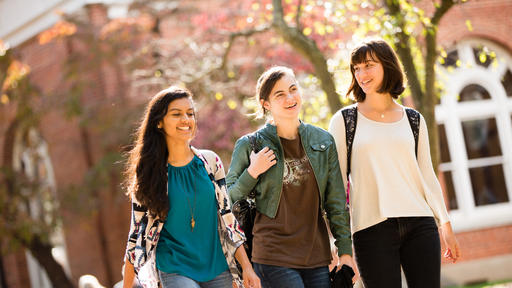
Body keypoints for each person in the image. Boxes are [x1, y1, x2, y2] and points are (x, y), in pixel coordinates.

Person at [328, 39, 461, 288]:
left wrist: (445, 224)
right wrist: (338, 243)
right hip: (371, 228)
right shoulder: (345, 121)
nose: (361, 74)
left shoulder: (413, 119)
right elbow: (335, 186)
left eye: (368, 65)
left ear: (387, 66)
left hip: (420, 223)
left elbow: (427, 175)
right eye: (356, 68)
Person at [227, 66, 358, 288]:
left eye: (293, 89)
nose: (290, 98)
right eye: (280, 94)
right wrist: (252, 172)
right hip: (271, 254)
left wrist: (345, 250)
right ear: (266, 103)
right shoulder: (251, 144)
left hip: (316, 256)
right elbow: (227, 198)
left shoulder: (323, 141)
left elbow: (336, 202)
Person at [122, 86, 260, 288]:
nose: (186, 119)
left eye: (190, 114)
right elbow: (135, 236)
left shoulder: (211, 163)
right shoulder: (149, 175)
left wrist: (247, 267)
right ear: (159, 122)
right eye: (176, 114)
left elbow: (228, 220)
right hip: (174, 268)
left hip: (217, 266)